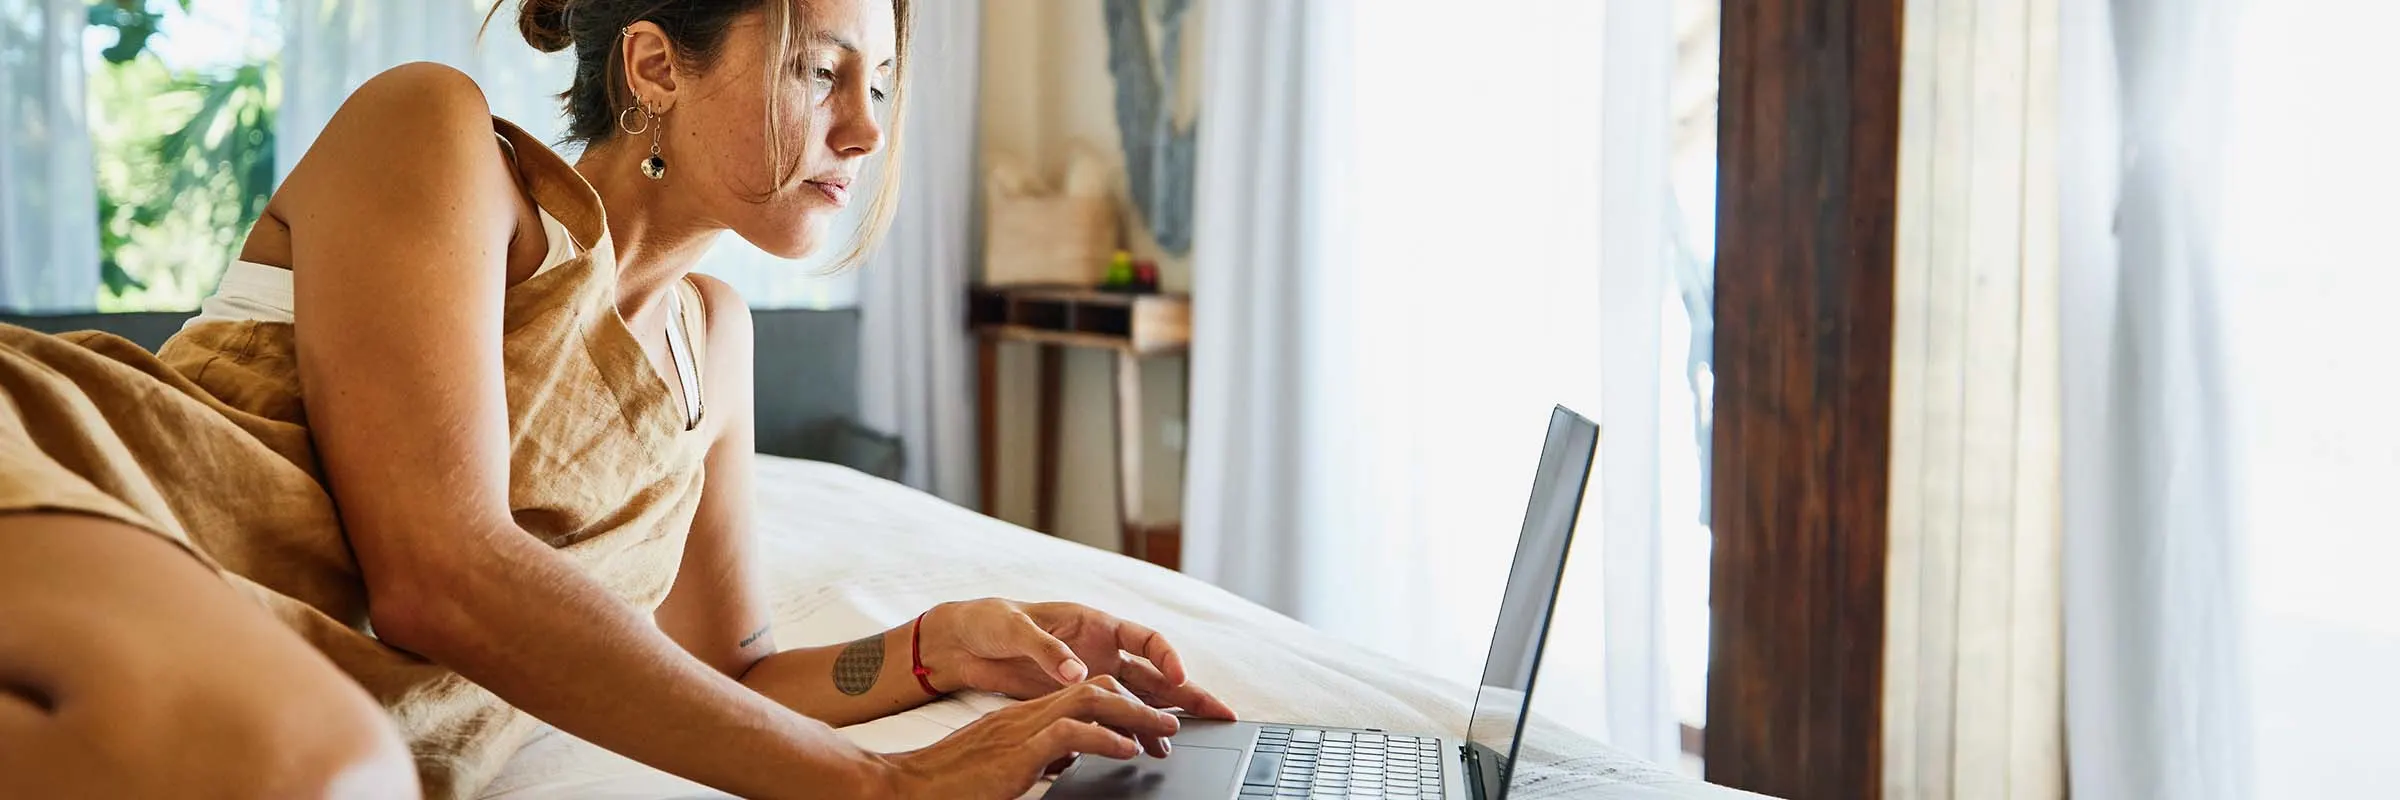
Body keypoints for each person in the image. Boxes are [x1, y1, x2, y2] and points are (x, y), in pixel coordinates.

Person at [0, 0, 1234, 797]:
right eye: (821, 70)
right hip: (82, 483)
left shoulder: (715, 338)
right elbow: (443, 568)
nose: (863, 128)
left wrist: (933, 643)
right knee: (322, 772)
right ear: (654, 64)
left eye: (883, 82)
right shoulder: (438, 139)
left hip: (237, 667)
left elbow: (732, 676)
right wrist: (881, 786)